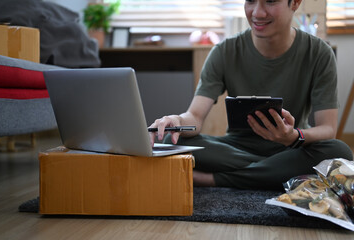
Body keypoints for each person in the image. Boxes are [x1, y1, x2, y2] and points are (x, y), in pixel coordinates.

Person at [149, 0, 353, 190]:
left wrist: (293, 136)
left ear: (296, 2)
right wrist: (176, 120)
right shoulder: (224, 51)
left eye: (270, 1)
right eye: (250, 0)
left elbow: (327, 129)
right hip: (235, 150)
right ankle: (272, 176)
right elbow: (195, 115)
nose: (257, 12)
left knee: (339, 151)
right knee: (171, 140)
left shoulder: (319, 53)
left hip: (291, 150)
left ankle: (212, 179)